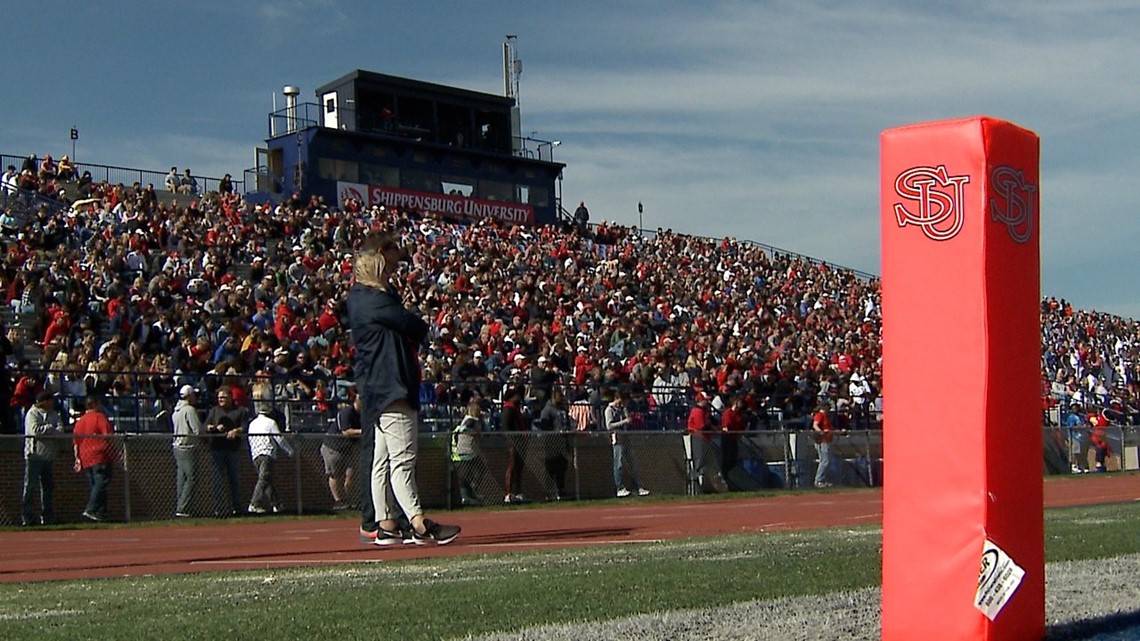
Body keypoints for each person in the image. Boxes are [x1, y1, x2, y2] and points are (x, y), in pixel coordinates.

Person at [348, 231, 460, 546]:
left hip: (379, 387)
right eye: (393, 252)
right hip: (391, 385)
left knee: (382, 460)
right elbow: (413, 325)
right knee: (403, 459)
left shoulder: (364, 298)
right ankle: (418, 522)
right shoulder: (373, 300)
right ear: (381, 255)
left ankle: (385, 523)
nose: (399, 258)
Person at [246, 388, 293, 513]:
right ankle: (254, 503)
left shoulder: (252, 424)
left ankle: (277, 504)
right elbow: (279, 439)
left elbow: (250, 441)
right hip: (267, 454)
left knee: (267, 480)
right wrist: (289, 450)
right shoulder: (270, 422)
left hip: (255, 455)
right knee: (264, 479)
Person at [204, 387, 248, 517]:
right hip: (217, 449)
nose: (220, 400)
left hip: (233, 449)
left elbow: (246, 426)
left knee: (234, 479)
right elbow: (204, 426)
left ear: (230, 397)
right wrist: (213, 427)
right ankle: (219, 509)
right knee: (217, 480)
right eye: (219, 398)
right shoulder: (214, 411)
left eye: (223, 397)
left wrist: (236, 431)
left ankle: (237, 508)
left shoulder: (240, 411)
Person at [72, 394, 115, 522]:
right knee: (101, 482)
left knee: (95, 485)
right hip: (100, 455)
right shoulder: (99, 417)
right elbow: (108, 435)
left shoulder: (80, 421)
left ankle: (100, 513)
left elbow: (76, 442)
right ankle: (91, 509)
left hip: (85, 456)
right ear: (95, 404)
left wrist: (77, 458)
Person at [22, 390, 62, 525]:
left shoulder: (54, 414)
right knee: (30, 486)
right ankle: (27, 517)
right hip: (34, 455)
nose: (53, 403)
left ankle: (48, 517)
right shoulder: (32, 413)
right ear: (44, 401)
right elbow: (35, 431)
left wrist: (48, 431)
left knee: (48, 488)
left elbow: (60, 431)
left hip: (49, 456)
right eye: (51, 400)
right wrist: (50, 428)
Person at [605, 389, 649, 498]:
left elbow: (627, 419)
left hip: (625, 437)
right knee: (618, 464)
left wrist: (627, 417)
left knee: (632, 463)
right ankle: (619, 488)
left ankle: (638, 487)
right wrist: (624, 421)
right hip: (617, 438)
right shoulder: (609, 410)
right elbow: (609, 425)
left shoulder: (622, 409)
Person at [323, 391, 362, 510]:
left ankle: (351, 500)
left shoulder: (362, 415)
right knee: (335, 475)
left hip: (347, 449)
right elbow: (346, 432)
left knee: (351, 474)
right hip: (333, 448)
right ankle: (338, 501)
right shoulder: (347, 413)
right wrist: (363, 431)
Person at [172, 384, 203, 517]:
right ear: (189, 396)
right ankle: (183, 507)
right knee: (191, 478)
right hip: (188, 446)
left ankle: (182, 506)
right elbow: (197, 429)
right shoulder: (189, 410)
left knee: (182, 478)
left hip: (177, 446)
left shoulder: (176, 410)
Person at [450, 399, 488, 506]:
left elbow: (486, 431)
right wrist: (475, 432)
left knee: (478, 469)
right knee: (466, 475)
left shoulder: (476, 420)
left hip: (471, 451)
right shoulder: (469, 420)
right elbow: (463, 429)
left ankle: (471, 492)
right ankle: (466, 496)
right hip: (464, 452)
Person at [536, 387, 571, 501]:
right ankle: (549, 492)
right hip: (552, 442)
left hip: (563, 441)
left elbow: (567, 423)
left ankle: (561, 491)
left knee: (562, 468)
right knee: (551, 468)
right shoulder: (547, 410)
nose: (561, 398)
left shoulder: (563, 409)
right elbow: (544, 425)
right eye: (559, 396)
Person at [500, 385, 529, 503]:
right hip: (512, 443)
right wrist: (514, 440)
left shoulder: (516, 410)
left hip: (520, 442)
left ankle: (517, 492)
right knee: (512, 467)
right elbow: (507, 428)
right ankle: (509, 493)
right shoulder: (508, 410)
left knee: (518, 469)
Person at [720, 395, 746, 486]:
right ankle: (724, 475)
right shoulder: (728, 412)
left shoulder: (739, 414)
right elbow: (726, 425)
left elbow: (741, 425)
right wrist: (727, 428)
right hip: (727, 438)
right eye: (739, 402)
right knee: (727, 458)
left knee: (734, 459)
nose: (741, 404)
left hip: (734, 438)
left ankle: (728, 477)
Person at [812, 400, 837, 488]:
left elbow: (830, 428)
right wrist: (821, 432)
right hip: (822, 441)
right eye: (827, 406)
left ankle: (823, 480)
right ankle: (819, 480)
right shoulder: (820, 415)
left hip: (828, 440)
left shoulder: (827, 417)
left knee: (827, 461)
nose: (829, 408)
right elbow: (815, 425)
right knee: (825, 461)